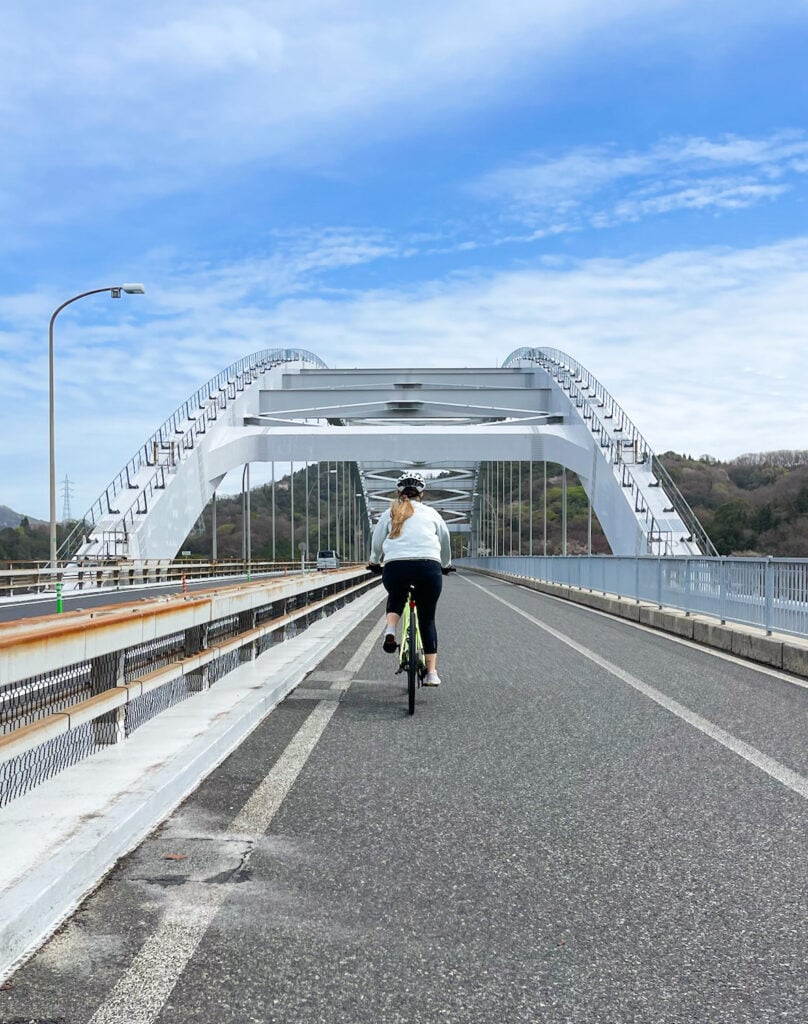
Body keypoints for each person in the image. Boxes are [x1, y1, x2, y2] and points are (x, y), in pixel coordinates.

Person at [367, 471, 452, 686]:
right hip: (428, 567)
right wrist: (445, 564)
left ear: (399, 492)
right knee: (427, 619)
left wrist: (374, 561)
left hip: (396, 567)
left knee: (396, 596)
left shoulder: (389, 513)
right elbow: (445, 540)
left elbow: (377, 542)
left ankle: (389, 630)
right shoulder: (432, 513)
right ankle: (432, 673)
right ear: (421, 494)